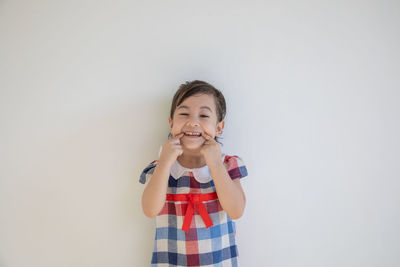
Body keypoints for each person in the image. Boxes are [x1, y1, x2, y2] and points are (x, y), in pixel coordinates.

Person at [139, 80, 248, 266]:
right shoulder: (161, 168)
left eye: (204, 115)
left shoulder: (227, 165)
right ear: (171, 123)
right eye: (184, 114)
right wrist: (165, 162)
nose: (193, 122)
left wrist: (214, 163)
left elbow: (236, 211)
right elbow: (150, 210)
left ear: (219, 127)